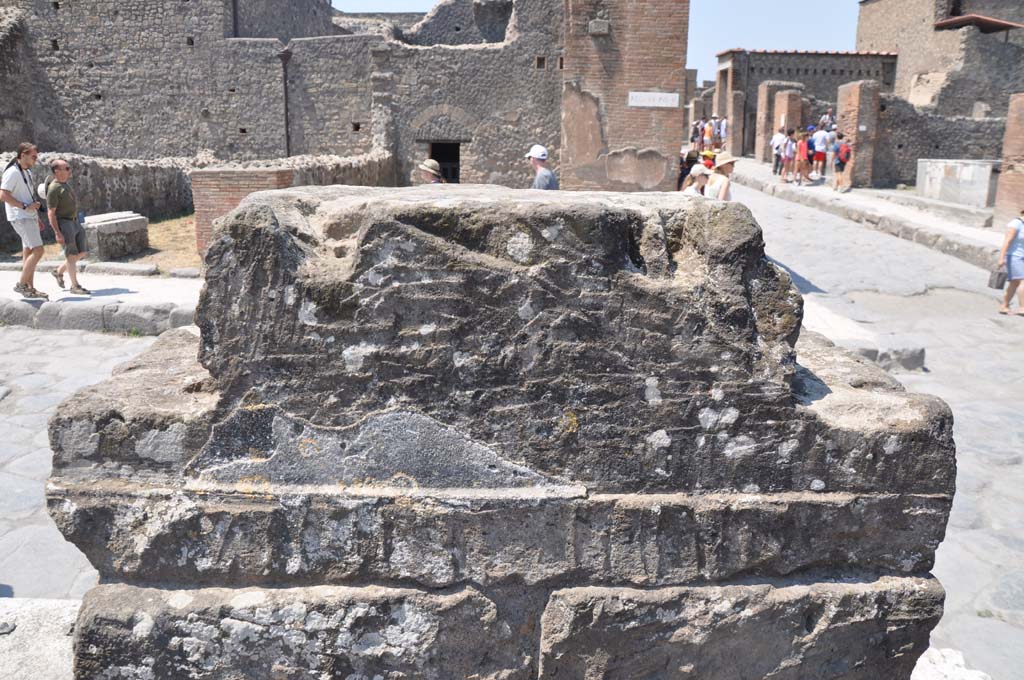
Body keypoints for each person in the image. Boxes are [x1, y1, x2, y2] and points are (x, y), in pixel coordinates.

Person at [1, 142, 47, 299]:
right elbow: (3, 195)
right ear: (23, 155)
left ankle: (30, 289)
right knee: (39, 251)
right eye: (33, 156)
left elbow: (28, 196)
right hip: (20, 217)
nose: (36, 159)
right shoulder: (13, 172)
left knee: (28, 252)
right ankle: (22, 285)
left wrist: (36, 215)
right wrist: (25, 206)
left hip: (29, 217)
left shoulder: (27, 172)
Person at [45, 159, 90, 295]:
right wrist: (57, 233)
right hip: (65, 224)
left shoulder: (65, 184)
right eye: (67, 168)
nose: (70, 170)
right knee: (71, 255)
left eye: (69, 168)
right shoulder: (54, 189)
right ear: (57, 171)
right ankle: (75, 286)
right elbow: (51, 213)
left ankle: (58, 272)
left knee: (83, 252)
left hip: (75, 222)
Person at [998, 209, 1024, 315]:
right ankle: (1023, 308)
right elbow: (1007, 241)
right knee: (1023, 281)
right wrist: (1001, 258)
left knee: (1014, 283)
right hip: (1014, 257)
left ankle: (1004, 305)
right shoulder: (1016, 223)